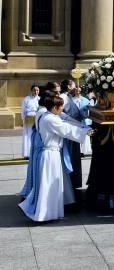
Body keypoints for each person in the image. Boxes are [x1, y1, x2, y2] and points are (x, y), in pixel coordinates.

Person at [19, 94, 92, 222]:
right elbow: (66, 130)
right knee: (48, 184)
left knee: (51, 184)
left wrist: (83, 128)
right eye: (61, 106)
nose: (62, 108)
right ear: (54, 107)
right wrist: (86, 131)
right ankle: (44, 213)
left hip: (50, 154)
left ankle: (50, 212)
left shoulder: (45, 115)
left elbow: (65, 122)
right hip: (50, 155)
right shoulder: (51, 119)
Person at [21, 85, 40, 158]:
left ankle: (35, 152)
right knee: (28, 136)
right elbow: (23, 110)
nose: (36, 92)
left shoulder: (40, 99)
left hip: (37, 118)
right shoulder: (26, 99)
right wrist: (23, 119)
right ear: (31, 91)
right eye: (34, 90)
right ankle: (27, 154)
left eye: (37, 90)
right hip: (29, 118)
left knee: (36, 135)